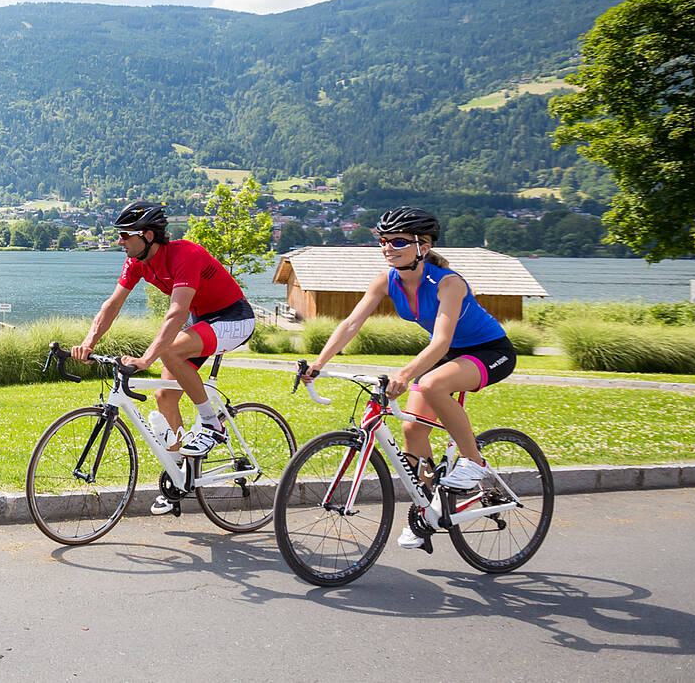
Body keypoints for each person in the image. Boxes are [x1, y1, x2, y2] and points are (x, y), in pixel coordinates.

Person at [298, 206, 518, 551]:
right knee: (412, 428)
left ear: (423, 246)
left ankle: (474, 463)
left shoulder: (448, 283)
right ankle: (425, 512)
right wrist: (318, 363)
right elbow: (351, 324)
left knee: (431, 384)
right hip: (448, 355)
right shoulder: (387, 280)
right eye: (383, 241)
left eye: (398, 241)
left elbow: (441, 340)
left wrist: (405, 374)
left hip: (489, 351)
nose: (388, 247)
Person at [72, 201, 257, 516]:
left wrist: (145, 359)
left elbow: (177, 312)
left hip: (233, 317)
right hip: (202, 321)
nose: (119, 241)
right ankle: (180, 478)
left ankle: (213, 426)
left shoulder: (185, 254)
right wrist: (88, 343)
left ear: (147, 235)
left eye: (125, 235)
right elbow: (112, 305)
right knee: (164, 396)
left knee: (169, 350)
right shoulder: (137, 262)